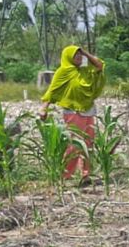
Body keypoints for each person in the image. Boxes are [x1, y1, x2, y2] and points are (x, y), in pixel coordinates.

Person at [40, 45, 106, 181]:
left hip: (88, 110)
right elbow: (52, 91)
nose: (79, 58)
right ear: (68, 57)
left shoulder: (85, 71)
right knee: (75, 144)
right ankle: (65, 175)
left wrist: (86, 53)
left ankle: (86, 174)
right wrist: (44, 108)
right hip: (73, 111)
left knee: (88, 144)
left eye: (80, 56)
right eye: (76, 55)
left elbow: (99, 65)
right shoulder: (63, 72)